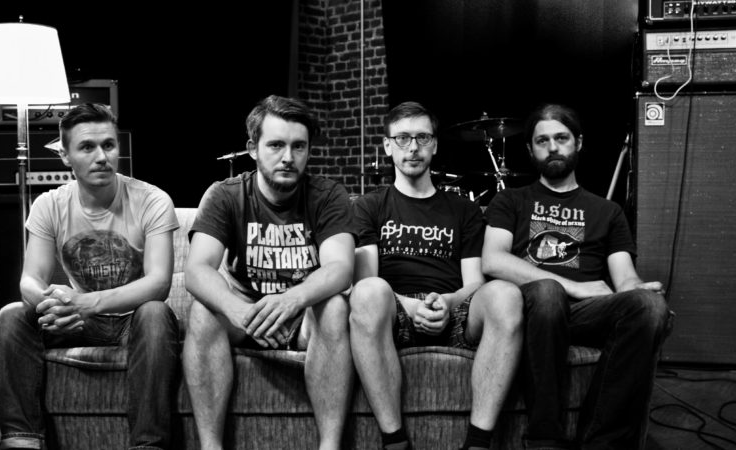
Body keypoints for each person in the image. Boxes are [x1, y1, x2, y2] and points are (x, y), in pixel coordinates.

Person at [481, 103, 672, 449]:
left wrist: (640, 290)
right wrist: (572, 286)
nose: (553, 147)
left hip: (583, 315)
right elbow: (493, 259)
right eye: (542, 141)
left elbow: (625, 278)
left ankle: (601, 442)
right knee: (548, 291)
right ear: (530, 150)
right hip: (530, 308)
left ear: (578, 142)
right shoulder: (511, 200)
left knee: (650, 307)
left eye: (561, 138)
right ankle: (544, 438)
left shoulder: (607, 211)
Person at [0, 103, 181, 450]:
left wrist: (85, 303)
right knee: (12, 316)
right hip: (78, 322)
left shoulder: (152, 200)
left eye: (108, 145)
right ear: (65, 156)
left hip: (134, 322)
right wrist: (56, 304)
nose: (101, 157)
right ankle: (22, 440)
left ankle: (148, 445)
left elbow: (159, 283)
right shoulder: (49, 204)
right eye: (87, 147)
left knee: (155, 312)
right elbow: (30, 280)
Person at [183, 95, 355, 450]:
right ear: (253, 149)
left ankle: (330, 447)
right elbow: (197, 270)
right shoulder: (226, 195)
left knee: (335, 306)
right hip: (245, 313)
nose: (288, 157)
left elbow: (340, 268)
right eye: (276, 145)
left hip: (303, 314)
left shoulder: (327, 195)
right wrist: (241, 312)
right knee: (202, 312)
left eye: (298, 146)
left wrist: (291, 300)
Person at [349, 101, 523, 450]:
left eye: (422, 137)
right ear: (387, 146)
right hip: (393, 312)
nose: (413, 147)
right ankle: (395, 441)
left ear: (435, 145)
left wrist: (447, 302)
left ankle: (478, 442)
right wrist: (411, 307)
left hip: (453, 309)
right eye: (402, 138)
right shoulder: (369, 206)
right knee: (368, 292)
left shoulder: (464, 209)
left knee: (507, 294)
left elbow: (474, 283)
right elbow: (366, 282)